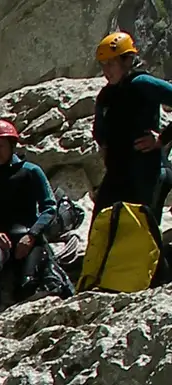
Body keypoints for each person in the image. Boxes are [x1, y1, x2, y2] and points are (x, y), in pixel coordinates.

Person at [0, 119, 66, 317]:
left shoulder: (31, 171)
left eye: (1, 146)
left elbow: (49, 208)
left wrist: (32, 235)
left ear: (12, 145)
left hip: (28, 236)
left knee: (28, 284)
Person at [91, 31, 172, 270]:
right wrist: (105, 145)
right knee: (102, 224)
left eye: (111, 63)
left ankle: (158, 277)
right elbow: (100, 130)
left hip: (146, 170)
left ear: (127, 60)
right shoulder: (106, 95)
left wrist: (162, 138)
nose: (106, 70)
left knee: (143, 229)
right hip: (118, 172)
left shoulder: (142, 84)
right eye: (103, 65)